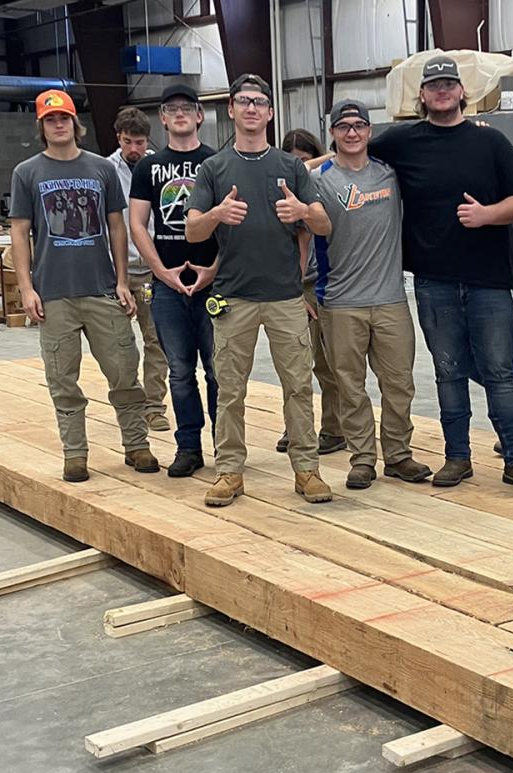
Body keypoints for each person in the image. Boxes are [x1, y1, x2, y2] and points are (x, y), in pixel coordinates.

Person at [368, 54, 513, 493]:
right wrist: (298, 169)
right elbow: (349, 150)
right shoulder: (404, 141)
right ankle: (457, 458)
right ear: (423, 95)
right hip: (434, 281)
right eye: (434, 85)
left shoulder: (491, 143)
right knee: (448, 372)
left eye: (449, 84)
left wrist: (488, 215)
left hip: (489, 282)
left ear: (462, 92)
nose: (442, 91)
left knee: (500, 372)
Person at [185, 73, 333, 506]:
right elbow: (193, 232)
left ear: (270, 112)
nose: (251, 108)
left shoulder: (290, 168)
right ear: (230, 110)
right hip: (234, 296)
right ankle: (229, 471)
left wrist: (304, 210)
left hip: (286, 296)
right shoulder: (213, 168)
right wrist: (216, 213)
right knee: (230, 389)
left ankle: (307, 469)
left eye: (259, 102)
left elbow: (324, 225)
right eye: (243, 101)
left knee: (298, 386)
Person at [9, 90, 158, 482]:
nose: (58, 125)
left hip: (102, 289)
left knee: (125, 371)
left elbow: (116, 227)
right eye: (50, 120)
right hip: (54, 295)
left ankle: (137, 446)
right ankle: (75, 454)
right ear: (41, 126)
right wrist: (26, 288)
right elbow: (20, 232)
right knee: (63, 380)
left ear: (76, 123)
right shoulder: (27, 172)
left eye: (64, 119)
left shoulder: (100, 169)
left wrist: (122, 280)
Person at [310, 100, 433, 490]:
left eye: (359, 125)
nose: (351, 132)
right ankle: (362, 458)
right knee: (350, 384)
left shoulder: (390, 174)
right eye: (342, 126)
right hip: (341, 301)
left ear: (369, 131)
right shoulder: (319, 180)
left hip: (391, 298)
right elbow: (292, 179)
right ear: (332, 133)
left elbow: (429, 143)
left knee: (399, 382)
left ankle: (397, 454)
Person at [128, 84, 220, 478]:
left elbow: (233, 221)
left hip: (213, 285)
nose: (180, 114)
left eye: (187, 108)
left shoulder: (217, 163)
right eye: (171, 109)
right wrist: (160, 271)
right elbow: (137, 223)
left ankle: (226, 448)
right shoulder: (148, 168)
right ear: (162, 119)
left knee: (219, 370)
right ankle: (188, 447)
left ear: (199, 115)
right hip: (167, 285)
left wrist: (215, 268)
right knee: (179, 371)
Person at [276, 128, 346, 457]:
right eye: (289, 160)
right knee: (293, 363)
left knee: (327, 363)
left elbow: (336, 157)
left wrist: (302, 165)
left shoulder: (322, 184)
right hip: (293, 283)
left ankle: (334, 428)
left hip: (326, 282)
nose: (296, 167)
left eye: (302, 160)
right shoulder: (280, 196)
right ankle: (295, 427)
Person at [106, 106, 170, 432]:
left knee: (156, 339)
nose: (134, 149)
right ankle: (128, 405)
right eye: (128, 142)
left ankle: (154, 406)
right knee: (118, 343)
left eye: (140, 142)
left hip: (151, 270)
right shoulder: (105, 170)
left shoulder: (159, 167)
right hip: (116, 270)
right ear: (119, 137)